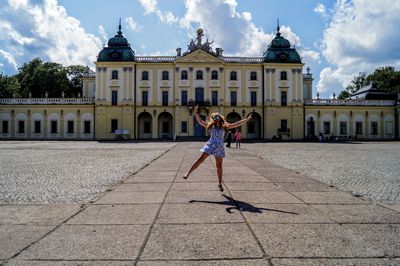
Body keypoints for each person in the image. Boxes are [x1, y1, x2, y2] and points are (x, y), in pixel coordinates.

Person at [183, 106, 252, 191]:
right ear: (213, 119)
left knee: (219, 166)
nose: (216, 118)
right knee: (200, 160)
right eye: (214, 117)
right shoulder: (210, 126)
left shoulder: (225, 127)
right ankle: (188, 173)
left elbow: (236, 124)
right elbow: (200, 121)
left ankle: (219, 183)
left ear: (220, 118)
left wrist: (247, 119)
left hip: (219, 147)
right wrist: (196, 112)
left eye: (217, 116)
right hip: (210, 145)